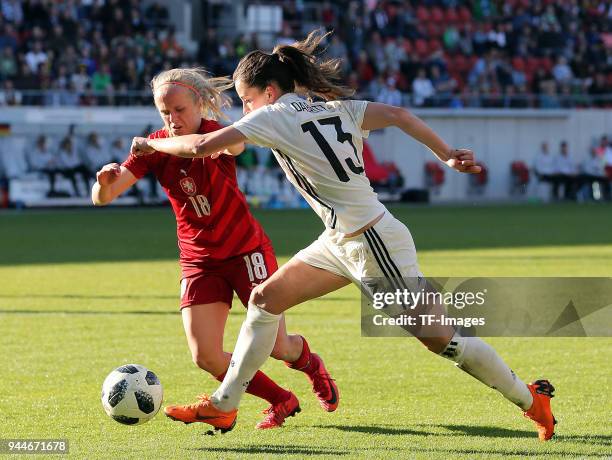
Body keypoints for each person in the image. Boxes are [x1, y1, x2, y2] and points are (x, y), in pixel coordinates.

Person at [130, 31, 556, 440]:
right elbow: (399, 115)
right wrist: (445, 153)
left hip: (374, 245)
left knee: (445, 342)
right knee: (265, 300)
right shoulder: (334, 108)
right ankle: (225, 405)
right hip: (341, 240)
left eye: (246, 100)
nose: (245, 111)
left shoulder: (273, 117)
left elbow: (199, 147)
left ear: (270, 93)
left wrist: (153, 145)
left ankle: (530, 399)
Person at [91, 67, 338, 430]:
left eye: (179, 110)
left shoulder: (218, 134)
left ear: (200, 103)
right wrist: (102, 182)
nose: (173, 120)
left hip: (245, 251)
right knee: (205, 355)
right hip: (199, 261)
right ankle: (280, 399)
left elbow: (224, 147)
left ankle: (311, 364)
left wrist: (152, 144)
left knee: (277, 346)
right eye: (165, 113)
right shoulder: (154, 147)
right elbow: (105, 197)